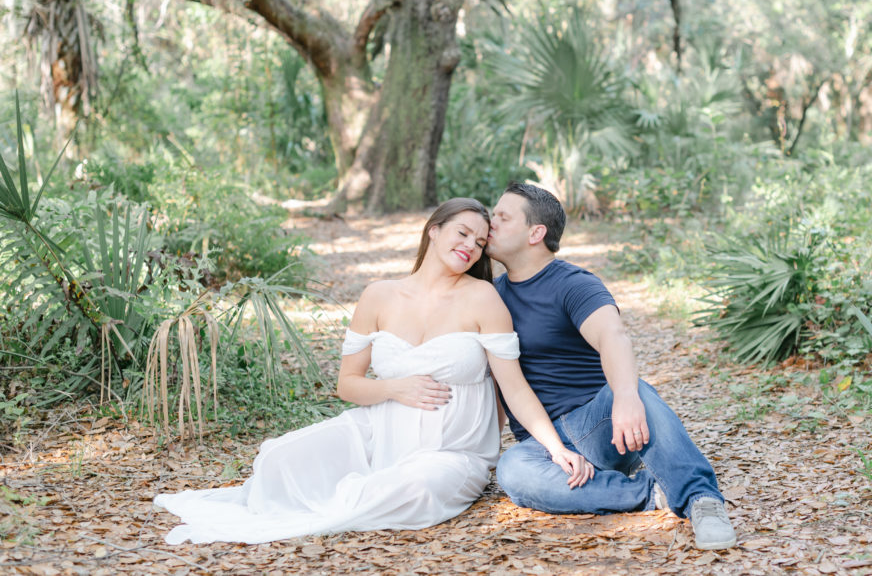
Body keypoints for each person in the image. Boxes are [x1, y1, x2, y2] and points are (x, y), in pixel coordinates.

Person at [154, 198, 593, 545]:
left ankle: (361, 491)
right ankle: (350, 478)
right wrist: (395, 389)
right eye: (462, 232)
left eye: (480, 242)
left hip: (452, 452)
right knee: (280, 459)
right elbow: (348, 385)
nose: (471, 246)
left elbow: (513, 388)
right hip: (374, 432)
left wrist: (555, 449)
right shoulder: (379, 295)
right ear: (433, 230)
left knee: (416, 487)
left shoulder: (483, 298)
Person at [486, 184, 737, 551]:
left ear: (535, 233)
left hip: (601, 424)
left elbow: (613, 336)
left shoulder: (573, 284)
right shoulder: (490, 295)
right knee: (513, 472)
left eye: (502, 217)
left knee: (637, 390)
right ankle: (651, 493)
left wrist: (624, 398)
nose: (490, 223)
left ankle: (702, 499)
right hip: (545, 445)